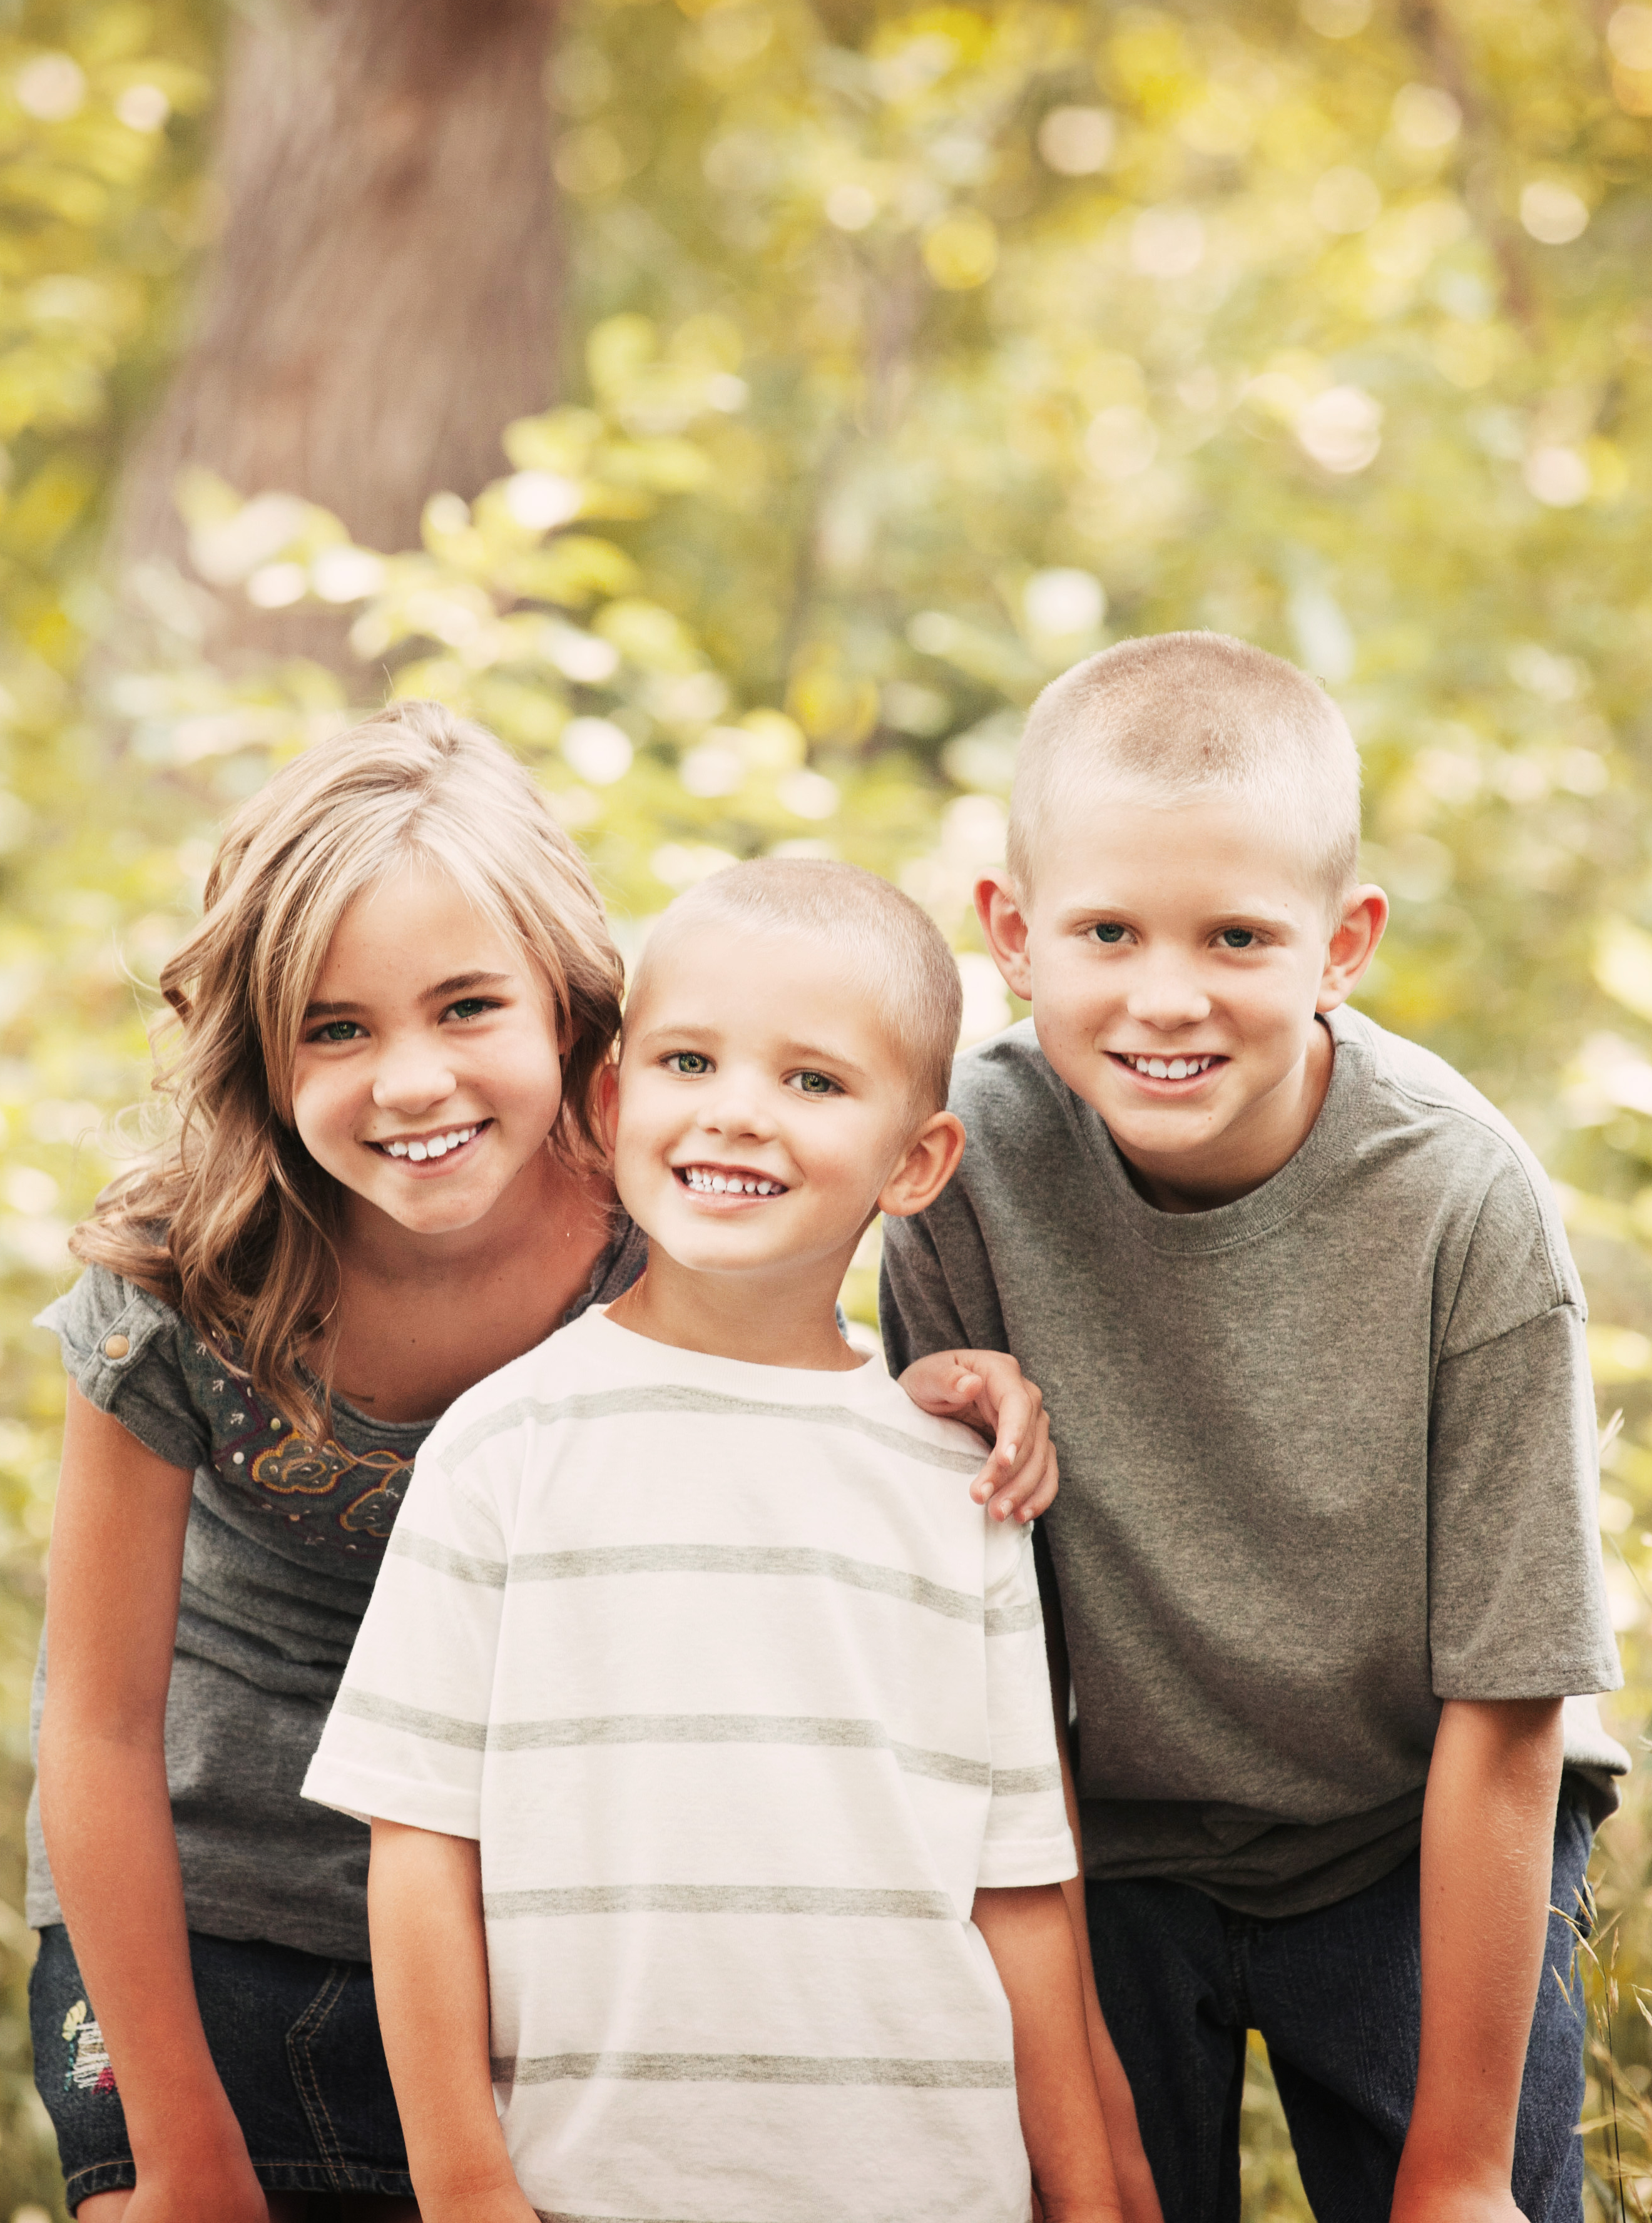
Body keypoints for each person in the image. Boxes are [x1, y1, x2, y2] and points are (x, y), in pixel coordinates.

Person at [24, 706, 1058, 2222]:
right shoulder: (180, 1285)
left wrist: (927, 1390)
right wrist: (183, 2146)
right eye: (335, 1029)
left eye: (466, 1010)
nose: (412, 1082)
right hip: (204, 1928)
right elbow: (99, 1730)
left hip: (532, 1953)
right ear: (261, 1045)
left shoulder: (658, 1213)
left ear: (573, 1019)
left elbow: (776, 1423)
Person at [877, 633, 1629, 2223]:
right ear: (1013, 935)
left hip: (1413, 1835)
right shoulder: (963, 1170)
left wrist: (1460, 2169)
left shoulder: (1463, 1205)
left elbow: (1508, 1704)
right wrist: (1079, 2084)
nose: (1169, 997)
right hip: (1105, 1852)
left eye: (1238, 935)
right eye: (1107, 931)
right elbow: (987, 1653)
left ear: (1341, 945)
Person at [302, 857, 1127, 2223]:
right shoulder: (504, 1448)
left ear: (915, 1163)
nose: (738, 1112)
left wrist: (1085, 2196)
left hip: (934, 2190)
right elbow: (420, 1847)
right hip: (591, 2190)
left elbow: (1019, 1890)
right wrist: (463, 2187)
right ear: (613, 1101)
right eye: (690, 1062)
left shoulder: (960, 1481)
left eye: (813, 1081)